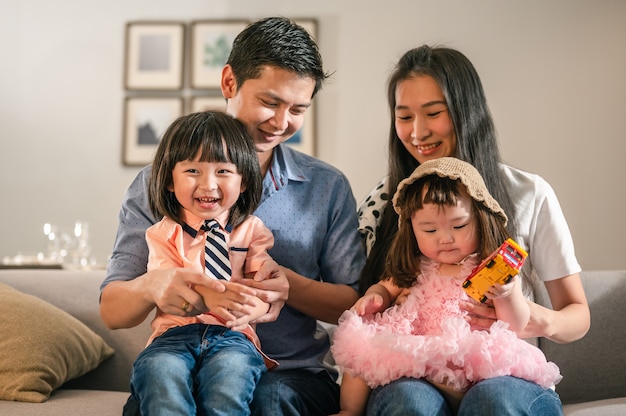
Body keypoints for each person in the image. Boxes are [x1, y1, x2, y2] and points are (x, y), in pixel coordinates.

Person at [100, 17, 365, 415]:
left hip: (289, 375)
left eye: (297, 109)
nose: (281, 122)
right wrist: (155, 284)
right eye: (270, 102)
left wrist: (284, 285)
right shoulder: (157, 182)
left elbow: (353, 304)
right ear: (229, 83)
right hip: (182, 361)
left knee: (263, 399)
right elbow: (112, 309)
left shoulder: (326, 187)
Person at [357, 45, 589, 415]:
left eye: (434, 113)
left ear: (467, 112)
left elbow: (577, 315)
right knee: (409, 403)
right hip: (416, 370)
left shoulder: (528, 193)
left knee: (492, 401)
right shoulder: (386, 199)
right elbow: (367, 297)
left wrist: (529, 316)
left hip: (501, 373)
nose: (418, 132)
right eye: (404, 117)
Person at [332, 157, 562, 416]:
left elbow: (515, 326)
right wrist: (376, 296)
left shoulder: (489, 268)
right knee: (364, 343)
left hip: (477, 362)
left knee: (491, 399)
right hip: (421, 361)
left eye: (459, 225)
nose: (445, 238)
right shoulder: (413, 268)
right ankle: (349, 411)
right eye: (429, 230)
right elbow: (385, 287)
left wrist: (508, 295)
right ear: (411, 230)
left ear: (481, 219)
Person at [133, 110, 279, 415]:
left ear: (245, 182)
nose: (208, 184)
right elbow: (171, 287)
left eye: (223, 171)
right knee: (158, 372)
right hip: (173, 335)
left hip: (234, 337)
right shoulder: (162, 234)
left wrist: (260, 306)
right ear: (169, 181)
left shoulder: (253, 231)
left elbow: (264, 286)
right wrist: (209, 294)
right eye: (192, 171)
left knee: (230, 381)